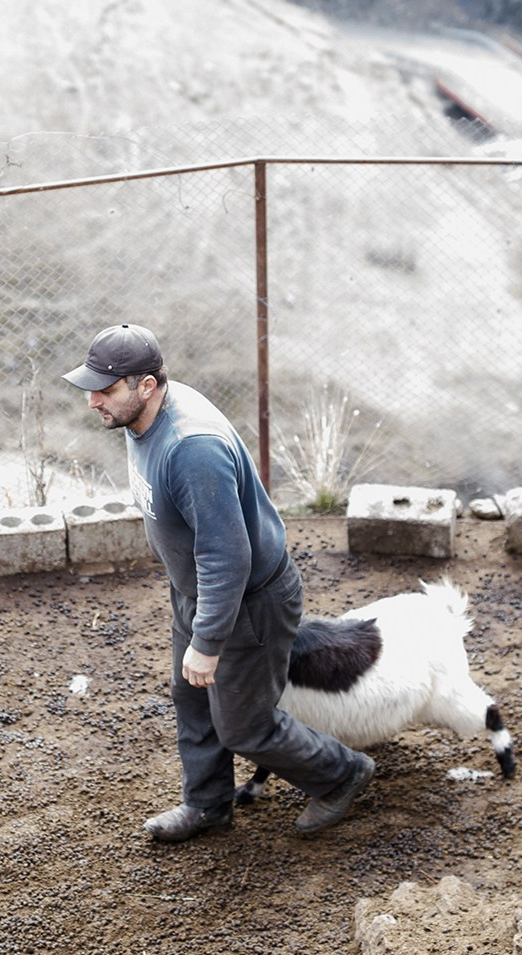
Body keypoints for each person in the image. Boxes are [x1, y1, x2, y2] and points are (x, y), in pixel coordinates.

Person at [61, 324, 372, 841]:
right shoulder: (142, 415)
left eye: (105, 389)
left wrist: (207, 642)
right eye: (91, 388)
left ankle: (341, 773)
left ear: (146, 385)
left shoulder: (191, 449)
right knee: (190, 698)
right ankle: (207, 805)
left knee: (244, 725)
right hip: (199, 591)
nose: (92, 400)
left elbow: (227, 556)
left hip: (248, 602)